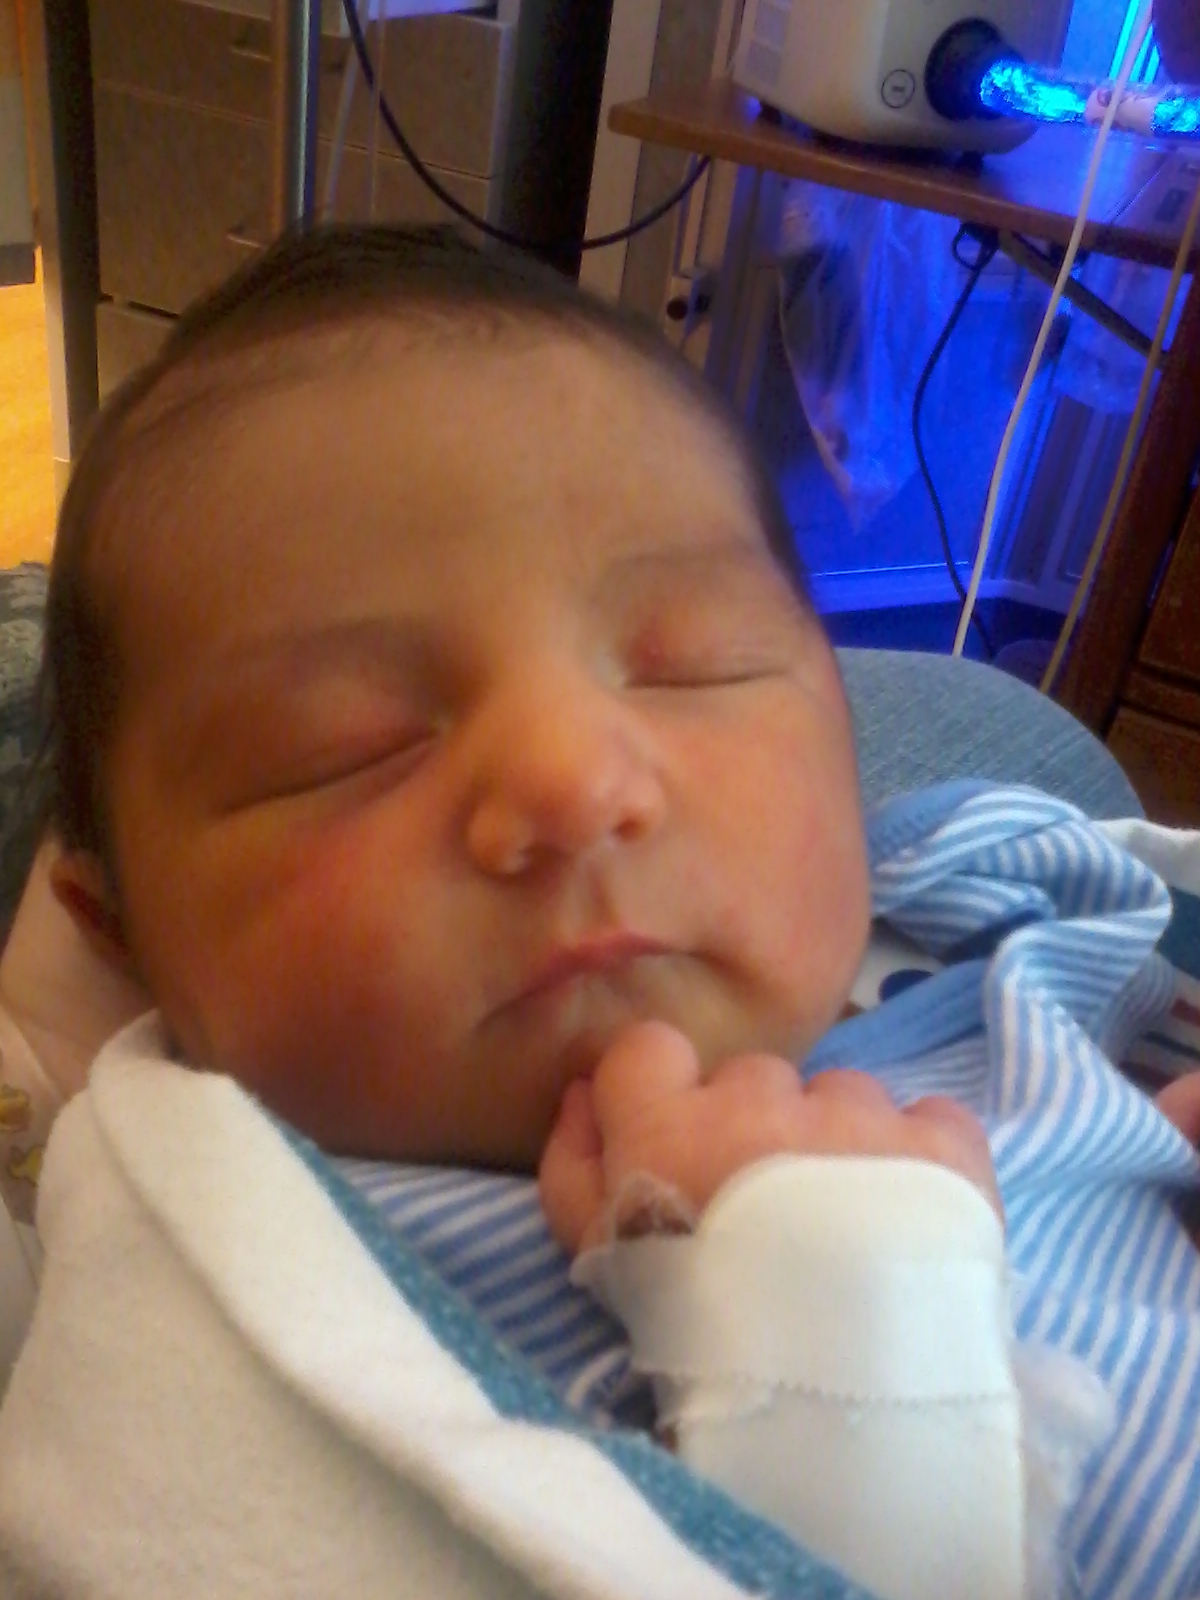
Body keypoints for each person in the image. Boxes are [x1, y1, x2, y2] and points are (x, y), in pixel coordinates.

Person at [0, 224, 1197, 1600]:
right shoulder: (218, 1312)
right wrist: (839, 1333)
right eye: (344, 745)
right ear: (116, 930)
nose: (572, 781)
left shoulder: (984, 908)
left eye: (696, 665)